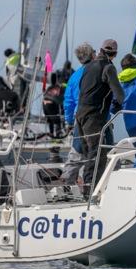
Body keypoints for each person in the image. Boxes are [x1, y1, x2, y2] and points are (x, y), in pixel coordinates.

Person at [75, 39, 125, 197]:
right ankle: (91, 193)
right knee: (98, 154)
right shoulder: (108, 67)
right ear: (115, 54)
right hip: (94, 117)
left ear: (100, 50)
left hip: (80, 115)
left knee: (89, 154)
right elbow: (120, 95)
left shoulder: (88, 66)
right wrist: (118, 106)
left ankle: (87, 190)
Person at [62, 43, 96, 188]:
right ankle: (89, 184)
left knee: (77, 152)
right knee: (98, 152)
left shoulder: (74, 76)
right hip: (97, 118)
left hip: (79, 118)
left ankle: (66, 183)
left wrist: (69, 121)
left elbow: (68, 101)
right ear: (92, 55)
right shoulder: (98, 72)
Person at [42, 73, 64, 137]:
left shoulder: (49, 88)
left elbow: (45, 94)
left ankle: (51, 134)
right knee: (58, 121)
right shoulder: (58, 87)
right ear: (56, 79)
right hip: (51, 105)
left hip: (45, 105)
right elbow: (60, 100)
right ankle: (58, 135)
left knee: (50, 120)